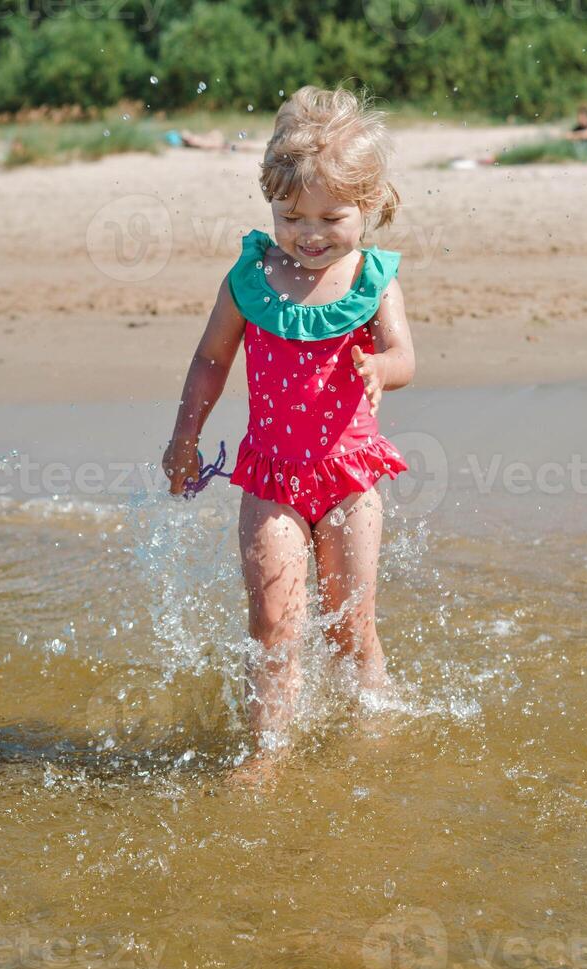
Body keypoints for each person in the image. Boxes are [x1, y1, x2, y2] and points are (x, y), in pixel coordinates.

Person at [162, 84, 415, 784]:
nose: (308, 233)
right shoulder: (251, 278)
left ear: (367, 206)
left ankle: (372, 719)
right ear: (269, 203)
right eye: (289, 215)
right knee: (273, 622)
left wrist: (379, 368)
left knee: (347, 622)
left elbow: (406, 358)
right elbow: (212, 358)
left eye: (330, 217)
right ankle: (266, 751)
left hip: (349, 480)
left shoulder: (371, 279)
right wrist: (186, 436)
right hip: (270, 478)